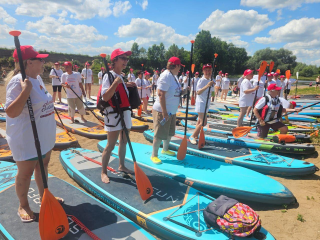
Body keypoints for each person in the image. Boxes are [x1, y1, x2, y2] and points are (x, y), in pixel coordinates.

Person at [5, 46, 61, 222]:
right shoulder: (18, 82)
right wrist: (25, 90)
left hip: (43, 135)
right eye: (40, 59)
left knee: (43, 167)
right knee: (25, 173)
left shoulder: (37, 79)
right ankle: (23, 205)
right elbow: (11, 112)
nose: (43, 62)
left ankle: (45, 196)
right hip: (26, 138)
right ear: (29, 62)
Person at [100, 48, 133, 184]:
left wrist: (124, 84)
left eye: (127, 58)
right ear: (115, 60)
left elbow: (119, 94)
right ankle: (103, 171)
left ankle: (122, 165)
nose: (126, 61)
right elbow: (105, 97)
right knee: (111, 145)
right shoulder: (109, 76)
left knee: (124, 141)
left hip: (124, 113)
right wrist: (116, 83)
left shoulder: (121, 76)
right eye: (123, 58)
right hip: (113, 115)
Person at [151, 56, 189, 164]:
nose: (180, 69)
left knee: (169, 132)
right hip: (162, 110)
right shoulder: (166, 76)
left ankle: (165, 149)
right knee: (159, 134)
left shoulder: (174, 76)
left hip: (172, 111)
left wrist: (185, 91)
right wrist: (164, 112)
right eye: (179, 67)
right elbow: (161, 94)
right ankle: (154, 155)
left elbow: (177, 92)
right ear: (175, 66)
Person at [189, 64, 214, 144]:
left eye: (209, 70)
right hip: (201, 103)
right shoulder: (201, 80)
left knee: (199, 121)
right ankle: (192, 136)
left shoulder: (211, 80)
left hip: (206, 103)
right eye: (206, 70)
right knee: (203, 122)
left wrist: (213, 96)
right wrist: (207, 86)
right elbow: (198, 92)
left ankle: (196, 136)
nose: (208, 72)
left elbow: (212, 91)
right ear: (203, 71)